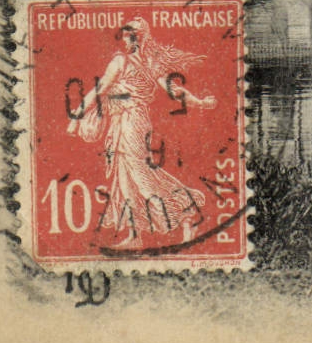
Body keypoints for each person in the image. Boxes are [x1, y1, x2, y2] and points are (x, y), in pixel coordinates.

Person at [67, 18, 216, 247]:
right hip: (124, 123)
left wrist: (77, 115)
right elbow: (173, 90)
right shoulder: (139, 63)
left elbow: (102, 89)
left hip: (131, 123)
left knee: (141, 178)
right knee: (124, 180)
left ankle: (187, 214)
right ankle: (134, 236)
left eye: (129, 35)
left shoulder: (124, 62)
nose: (125, 39)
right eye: (124, 35)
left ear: (139, 37)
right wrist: (201, 102)